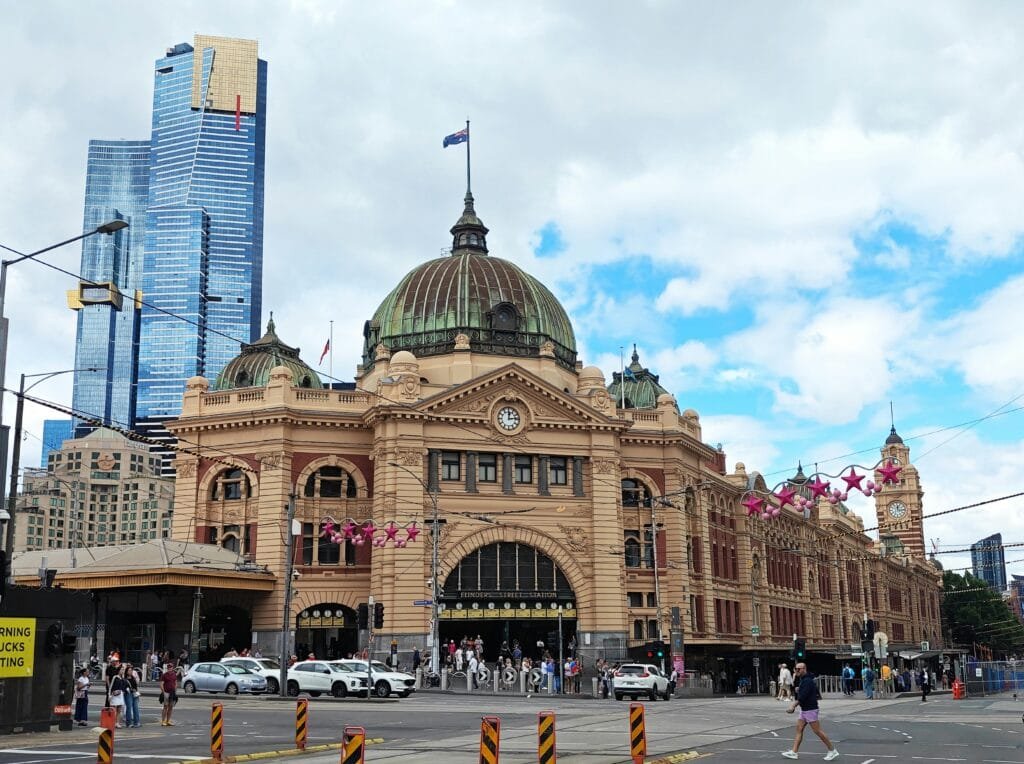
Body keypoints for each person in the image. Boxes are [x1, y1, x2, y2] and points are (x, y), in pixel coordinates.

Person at [782, 662, 839, 760]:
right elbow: (809, 691)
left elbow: (802, 697)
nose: (796, 671)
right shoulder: (804, 680)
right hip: (805, 710)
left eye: (798, 669)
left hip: (810, 709)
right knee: (799, 729)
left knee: (817, 731)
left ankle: (832, 750)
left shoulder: (807, 681)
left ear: (804, 669)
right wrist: (799, 689)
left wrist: (793, 706)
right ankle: (794, 752)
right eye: (795, 669)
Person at [160, 662, 178, 726]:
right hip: (166, 692)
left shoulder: (174, 675)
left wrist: (175, 691)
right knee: (165, 706)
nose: (170, 668)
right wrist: (163, 692)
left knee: (171, 707)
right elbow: (161, 684)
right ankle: (163, 721)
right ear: (167, 668)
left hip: (172, 693)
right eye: (169, 667)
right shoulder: (164, 675)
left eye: (171, 667)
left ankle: (168, 721)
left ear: (172, 668)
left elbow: (176, 683)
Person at [123, 663, 141, 728]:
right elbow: (124, 688)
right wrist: (129, 690)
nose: (130, 672)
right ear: (126, 671)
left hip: (134, 694)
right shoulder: (124, 679)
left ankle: (137, 722)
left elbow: (136, 686)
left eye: (131, 670)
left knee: (136, 707)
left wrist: (136, 692)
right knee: (129, 707)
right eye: (129, 670)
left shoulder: (133, 678)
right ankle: (129, 723)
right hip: (128, 694)